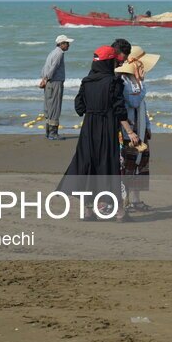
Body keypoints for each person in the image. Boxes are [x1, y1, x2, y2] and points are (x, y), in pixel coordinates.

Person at [58, 45, 138, 221]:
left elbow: (79, 107)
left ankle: (88, 211)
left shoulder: (86, 81)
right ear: (109, 62)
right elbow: (119, 110)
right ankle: (119, 213)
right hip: (107, 127)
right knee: (109, 167)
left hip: (88, 128)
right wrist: (130, 131)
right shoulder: (114, 82)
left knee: (88, 166)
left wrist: (93, 108)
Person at [115, 45, 160, 211]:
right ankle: (125, 200)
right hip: (129, 132)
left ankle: (136, 200)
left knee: (142, 164)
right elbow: (134, 101)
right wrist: (142, 84)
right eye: (140, 65)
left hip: (140, 128)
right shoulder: (122, 81)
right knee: (128, 164)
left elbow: (142, 106)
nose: (143, 68)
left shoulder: (135, 80)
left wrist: (147, 125)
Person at [39, 35, 73, 140]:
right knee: (55, 106)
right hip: (55, 82)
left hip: (49, 82)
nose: (68, 45)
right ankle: (53, 133)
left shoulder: (53, 52)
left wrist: (44, 79)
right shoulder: (59, 53)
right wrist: (47, 78)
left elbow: (45, 67)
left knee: (49, 106)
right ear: (61, 44)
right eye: (67, 43)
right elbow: (53, 68)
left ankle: (48, 132)